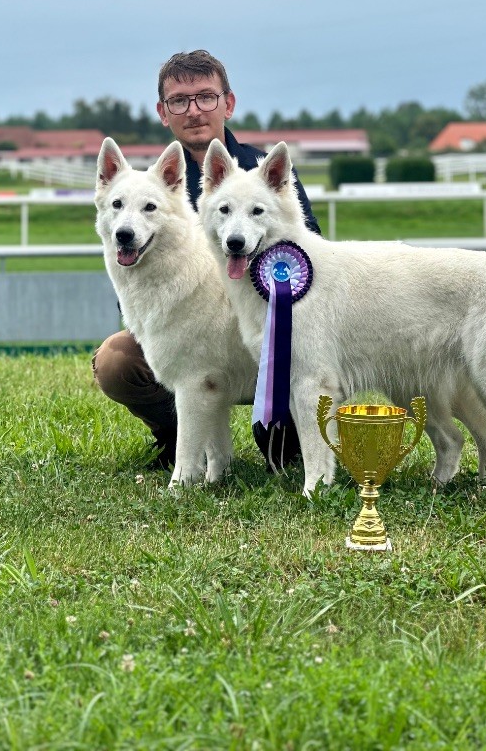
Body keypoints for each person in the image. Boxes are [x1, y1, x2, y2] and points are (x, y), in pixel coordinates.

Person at [92, 50, 320, 469]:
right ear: (163, 112)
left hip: (266, 332)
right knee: (115, 361)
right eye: (179, 101)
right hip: (175, 327)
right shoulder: (145, 183)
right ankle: (180, 438)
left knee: (281, 430)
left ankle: (282, 427)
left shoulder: (264, 172)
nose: (194, 110)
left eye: (206, 97)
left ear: (228, 103)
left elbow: (305, 259)